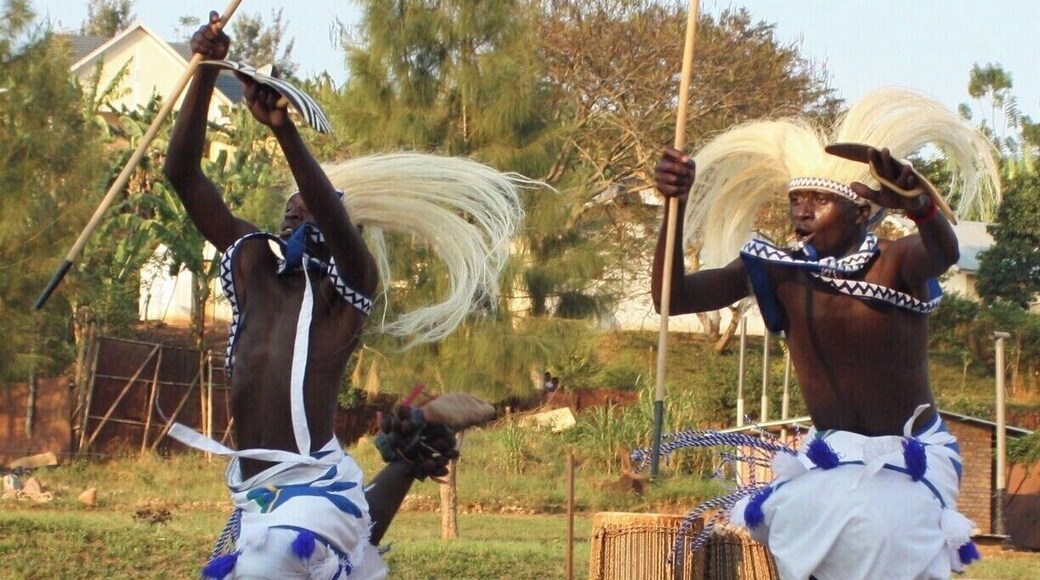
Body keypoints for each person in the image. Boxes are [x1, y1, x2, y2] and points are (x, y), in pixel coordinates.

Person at [164, 15, 519, 580]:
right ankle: (415, 441)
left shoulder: (347, 292)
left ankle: (413, 442)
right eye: (290, 209)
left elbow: (329, 209)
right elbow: (182, 174)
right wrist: (205, 68)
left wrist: (284, 130)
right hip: (255, 499)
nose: (295, 213)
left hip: (315, 489)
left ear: (339, 227)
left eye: (310, 209)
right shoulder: (254, 269)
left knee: (268, 568)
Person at [648, 88, 1000, 579]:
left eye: (820, 200)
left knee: (880, 526)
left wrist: (921, 208)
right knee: (792, 514)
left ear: (861, 212)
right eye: (796, 199)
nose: (802, 211)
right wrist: (675, 205)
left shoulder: (894, 262)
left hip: (909, 453)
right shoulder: (778, 270)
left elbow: (943, 253)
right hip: (831, 455)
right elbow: (672, 298)